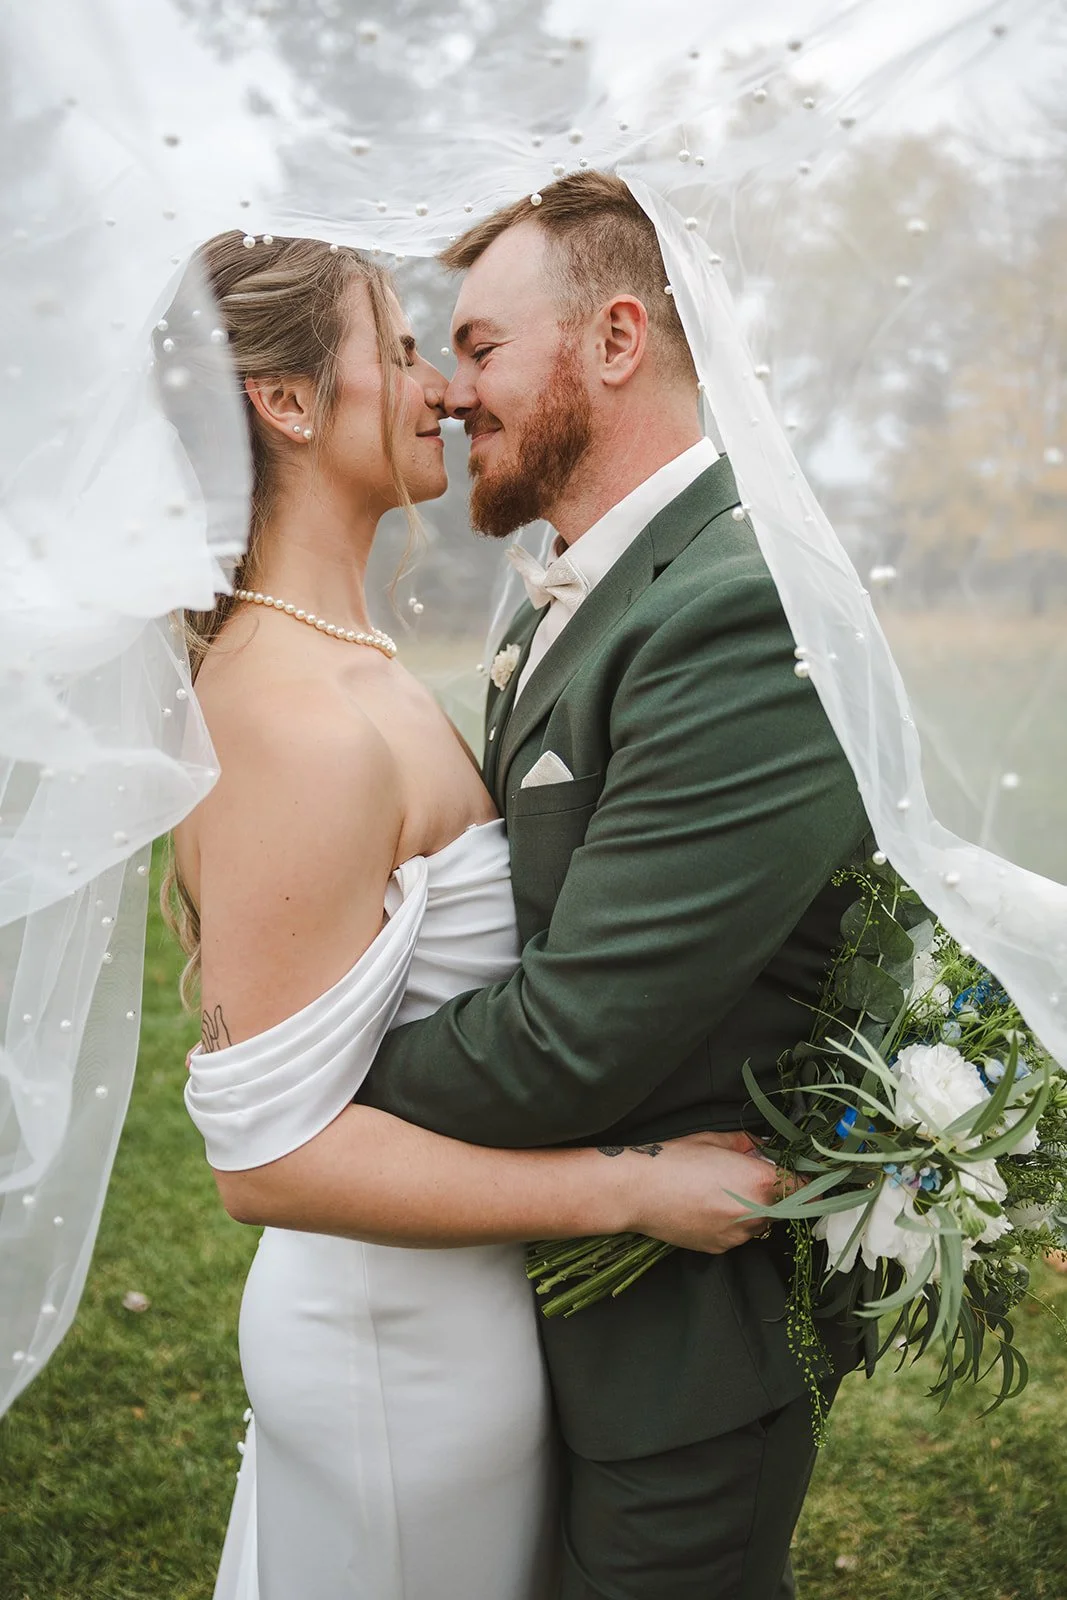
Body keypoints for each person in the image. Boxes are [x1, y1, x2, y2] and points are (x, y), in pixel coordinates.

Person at [219, 174, 871, 1599]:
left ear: (617, 340)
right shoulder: (558, 585)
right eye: (419, 351)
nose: (451, 393)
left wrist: (306, 1106)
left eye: (479, 346)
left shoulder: (734, 601)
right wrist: (290, 1115)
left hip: (669, 1351)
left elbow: (575, 1033)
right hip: (494, 1302)